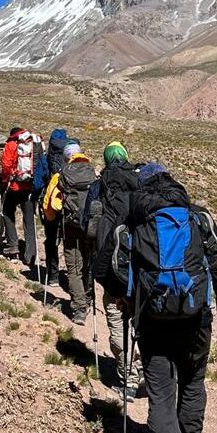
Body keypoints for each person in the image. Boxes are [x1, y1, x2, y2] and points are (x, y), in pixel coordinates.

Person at [94, 163, 217, 433]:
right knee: (193, 382)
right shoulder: (199, 219)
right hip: (197, 319)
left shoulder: (134, 227)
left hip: (153, 321)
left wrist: (124, 297)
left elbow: (107, 268)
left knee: (160, 395)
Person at [83, 141, 144, 400]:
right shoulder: (141, 182)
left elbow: (88, 226)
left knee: (116, 316)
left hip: (111, 266)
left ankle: (128, 377)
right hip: (141, 263)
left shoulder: (98, 186)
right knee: (142, 317)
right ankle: (145, 370)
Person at [43, 140, 96, 324]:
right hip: (89, 228)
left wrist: (52, 219)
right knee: (88, 264)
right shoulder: (93, 173)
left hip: (70, 228)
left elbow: (51, 206)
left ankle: (79, 309)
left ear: (66, 157)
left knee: (73, 268)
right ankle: (88, 299)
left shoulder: (61, 176)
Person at [0, 126, 39, 264]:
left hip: (14, 187)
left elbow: (5, 165)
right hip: (29, 188)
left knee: (7, 213)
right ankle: (31, 255)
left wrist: (5, 182)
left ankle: (13, 246)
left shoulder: (11, 144)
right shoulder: (33, 143)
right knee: (29, 219)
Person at [39, 128, 68, 285]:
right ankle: (74, 276)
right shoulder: (69, 155)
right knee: (69, 241)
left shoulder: (48, 156)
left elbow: (42, 175)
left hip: (50, 202)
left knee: (51, 239)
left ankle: (53, 275)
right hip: (67, 202)